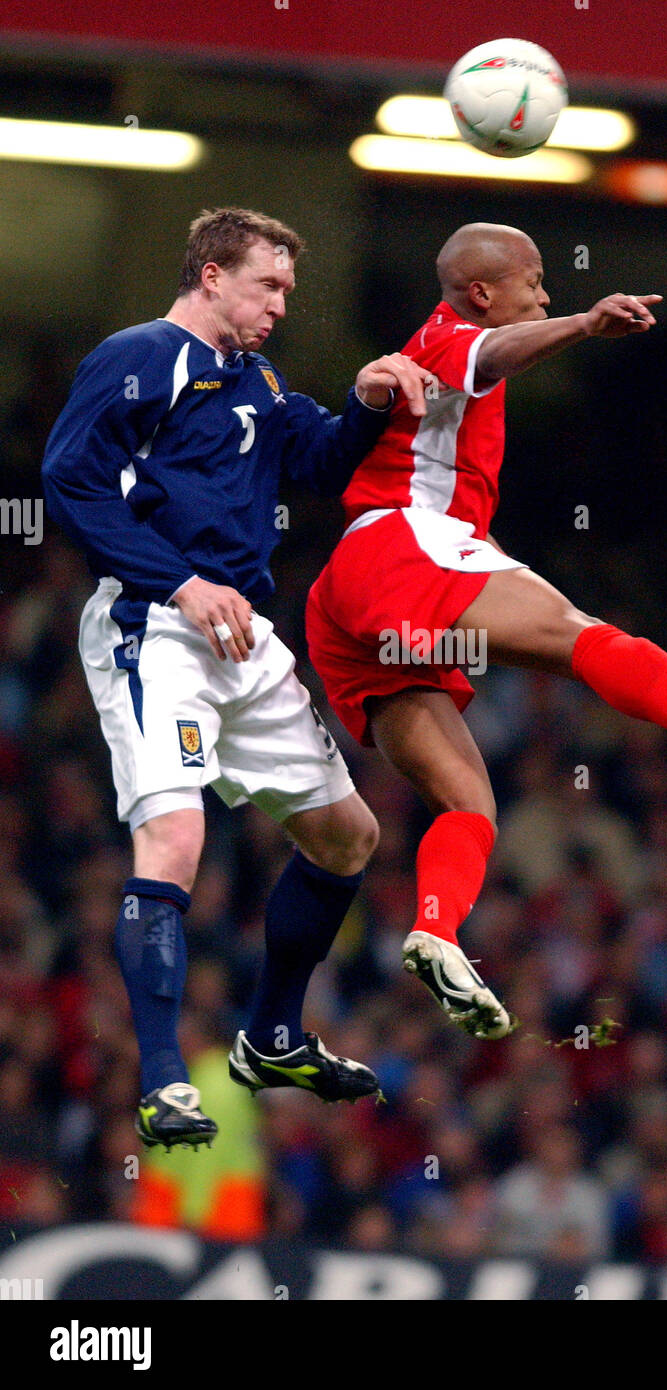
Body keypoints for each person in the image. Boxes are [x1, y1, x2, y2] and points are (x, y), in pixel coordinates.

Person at [305, 221, 667, 1041]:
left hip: (348, 600)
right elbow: (493, 356)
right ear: (484, 292)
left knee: (468, 799)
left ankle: (435, 928)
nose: (544, 292)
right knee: (578, 634)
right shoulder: (451, 338)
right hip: (406, 545)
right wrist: (584, 323)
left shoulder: (441, 347)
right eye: (534, 279)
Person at [42, 206, 430, 1148]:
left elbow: (322, 459)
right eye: (269, 284)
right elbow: (67, 477)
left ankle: (273, 1035)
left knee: (349, 837)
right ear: (212, 275)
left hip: (243, 636)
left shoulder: (255, 378)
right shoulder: (138, 356)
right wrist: (175, 581)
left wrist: (371, 401)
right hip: (157, 627)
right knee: (174, 841)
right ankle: (165, 1080)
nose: (281, 305)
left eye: (288, 290)